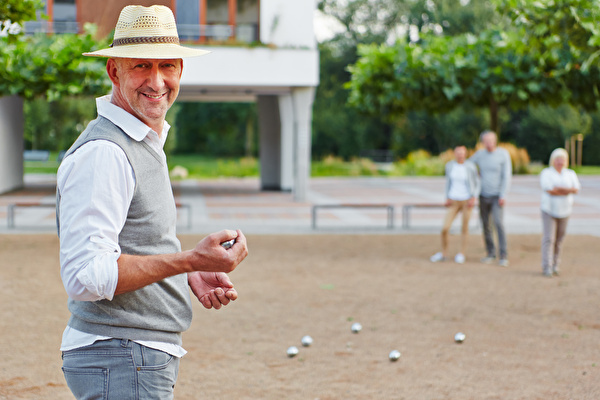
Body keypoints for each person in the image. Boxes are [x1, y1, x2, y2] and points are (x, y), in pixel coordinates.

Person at [56, 6, 248, 399]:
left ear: (181, 70)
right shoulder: (106, 152)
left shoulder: (141, 142)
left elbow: (134, 246)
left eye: (167, 66)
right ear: (114, 72)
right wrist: (191, 260)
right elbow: (86, 275)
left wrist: (183, 275)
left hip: (129, 357)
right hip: (122, 357)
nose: (157, 80)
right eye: (141, 65)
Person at [430, 145, 480, 264]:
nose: (460, 155)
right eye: (458, 153)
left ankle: (461, 253)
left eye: (462, 153)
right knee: (445, 228)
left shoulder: (470, 166)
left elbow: (477, 182)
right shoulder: (450, 166)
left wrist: (474, 197)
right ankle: (444, 253)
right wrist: (447, 196)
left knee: (464, 228)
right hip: (453, 200)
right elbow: (448, 182)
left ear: (466, 154)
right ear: (454, 154)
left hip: (466, 201)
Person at [469, 130, 512, 267]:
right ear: (482, 143)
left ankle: (503, 254)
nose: (489, 144)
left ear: (495, 141)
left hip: (497, 196)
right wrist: (476, 175)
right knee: (485, 225)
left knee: (498, 223)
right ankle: (490, 252)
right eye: (486, 141)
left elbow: (507, 175)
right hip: (483, 194)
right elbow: (468, 165)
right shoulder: (480, 155)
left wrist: (503, 194)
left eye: (491, 141)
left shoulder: (503, 154)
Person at [539, 148, 580, 277]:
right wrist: (566, 191)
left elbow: (576, 189)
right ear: (553, 160)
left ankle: (556, 264)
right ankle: (547, 266)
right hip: (549, 209)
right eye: (557, 159)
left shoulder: (570, 173)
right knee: (549, 238)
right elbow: (549, 190)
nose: (560, 162)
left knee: (559, 239)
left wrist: (560, 189)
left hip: (565, 210)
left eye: (562, 159)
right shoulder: (546, 173)